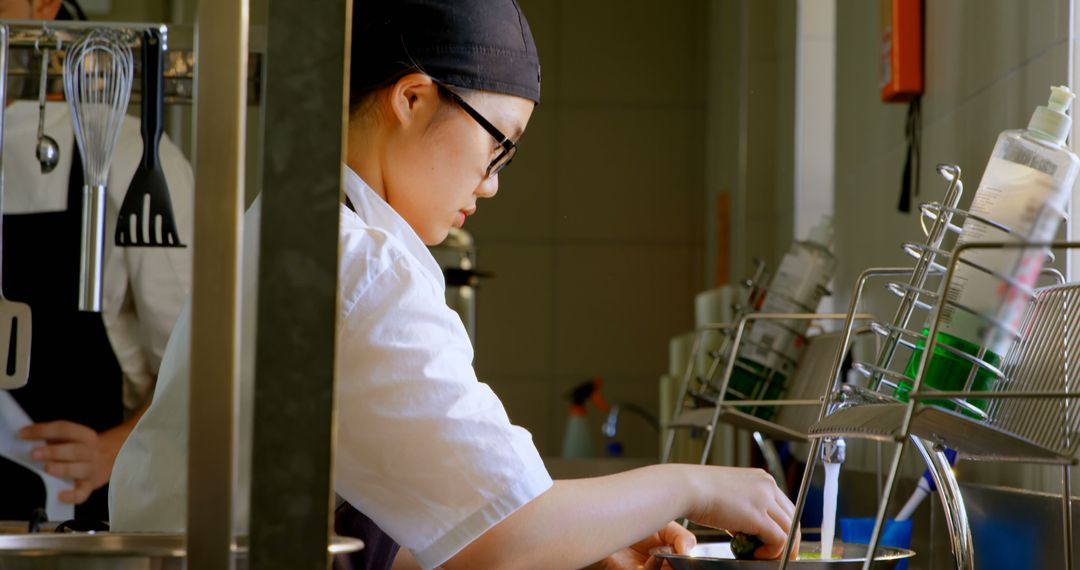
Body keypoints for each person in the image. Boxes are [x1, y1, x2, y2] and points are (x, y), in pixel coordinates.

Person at [109, 0, 797, 568]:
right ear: (412, 98)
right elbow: (505, 538)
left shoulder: (298, 224)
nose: (493, 183)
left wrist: (583, 540)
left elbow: (417, 534)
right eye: (498, 144)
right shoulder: (363, 265)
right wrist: (695, 484)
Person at [0, 0, 194, 523]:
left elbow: (198, 370)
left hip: (77, 521)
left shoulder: (129, 158)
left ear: (43, 6)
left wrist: (112, 450)